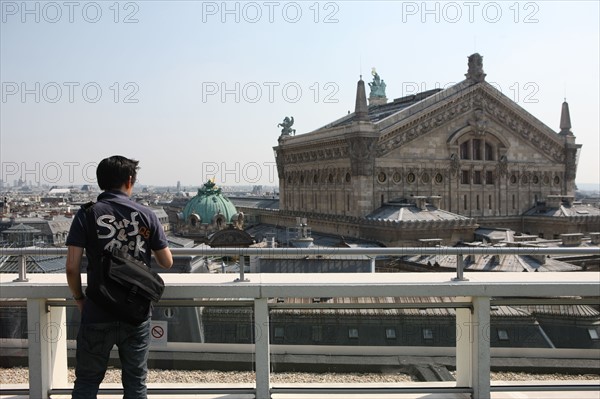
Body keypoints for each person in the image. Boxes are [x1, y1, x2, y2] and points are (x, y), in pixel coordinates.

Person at [66, 155, 173, 399]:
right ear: (129, 180)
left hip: (96, 310)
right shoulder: (147, 214)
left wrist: (79, 298)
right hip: (135, 311)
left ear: (100, 182)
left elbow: (72, 267)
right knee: (135, 384)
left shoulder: (87, 214)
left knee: (86, 382)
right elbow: (166, 262)